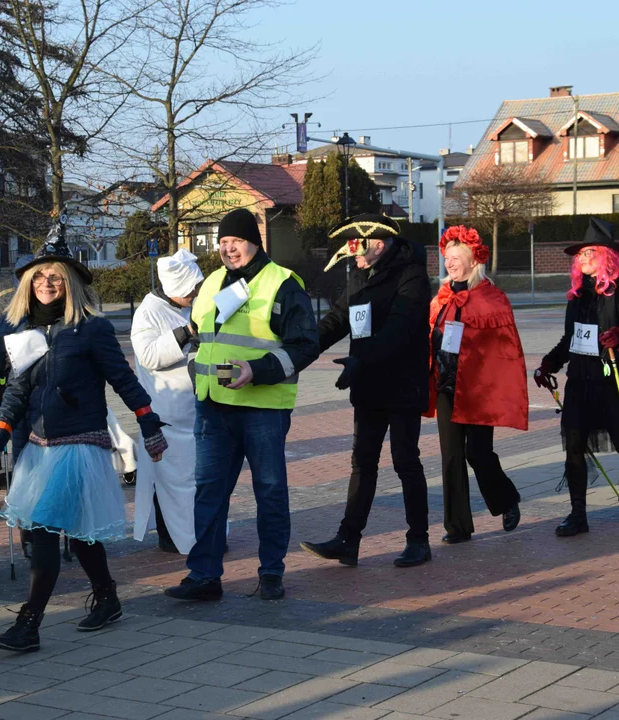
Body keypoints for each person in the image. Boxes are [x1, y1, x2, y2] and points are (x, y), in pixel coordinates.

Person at [0, 231, 168, 651]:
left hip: (80, 442)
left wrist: (149, 424)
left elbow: (124, 380)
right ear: (28, 284)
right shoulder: (22, 330)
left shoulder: (91, 328)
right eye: (40, 276)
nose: (47, 283)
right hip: (39, 444)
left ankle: (29, 625)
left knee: (43, 527)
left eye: (56, 277)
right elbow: (16, 392)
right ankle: (107, 596)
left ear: (71, 284)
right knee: (80, 531)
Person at [163, 208, 319, 602]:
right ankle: (204, 576)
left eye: (236, 241)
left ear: (254, 242)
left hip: (262, 407)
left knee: (269, 490)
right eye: (222, 242)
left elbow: (305, 346)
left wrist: (257, 370)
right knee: (209, 491)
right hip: (213, 406)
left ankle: (271, 572)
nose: (228, 249)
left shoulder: (282, 284)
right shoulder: (213, 282)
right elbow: (202, 335)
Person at [299, 214, 433, 567]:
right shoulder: (360, 275)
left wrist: (362, 360)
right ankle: (348, 540)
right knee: (363, 462)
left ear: (378, 243)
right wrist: (297, 351)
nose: (350, 252)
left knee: (405, 461)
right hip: (369, 385)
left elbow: (399, 330)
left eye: (356, 245)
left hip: (403, 384)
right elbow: (337, 321)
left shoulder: (412, 275)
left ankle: (418, 539)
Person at [535, 218, 619, 537]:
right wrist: (549, 363)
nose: (582, 257)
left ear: (607, 255)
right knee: (573, 446)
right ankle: (577, 514)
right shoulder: (576, 297)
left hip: (614, 380)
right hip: (580, 382)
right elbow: (570, 339)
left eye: (590, 251)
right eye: (580, 253)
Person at [425, 226, 527, 544]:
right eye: (447, 258)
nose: (450, 263)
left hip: (478, 388)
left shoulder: (492, 299)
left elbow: (505, 351)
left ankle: (506, 500)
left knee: (478, 453)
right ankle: (457, 526)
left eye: (456, 258)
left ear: (472, 261)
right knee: (451, 456)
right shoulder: (441, 298)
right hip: (446, 386)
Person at [131, 248, 204, 554]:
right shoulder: (148, 311)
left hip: (195, 410)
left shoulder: (190, 306)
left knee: (196, 480)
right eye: (193, 289)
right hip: (167, 414)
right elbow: (148, 355)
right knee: (171, 481)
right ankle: (173, 537)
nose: (197, 293)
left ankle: (202, 534)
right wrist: (185, 334)